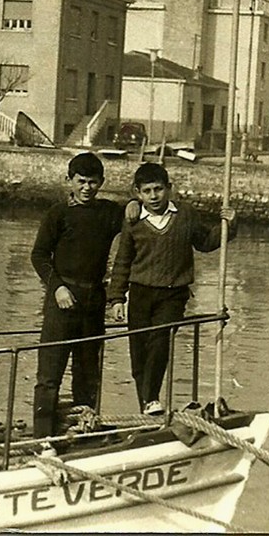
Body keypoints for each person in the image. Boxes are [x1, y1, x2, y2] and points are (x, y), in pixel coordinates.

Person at [108, 162, 237, 416]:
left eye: (158, 189)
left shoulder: (185, 215)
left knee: (159, 342)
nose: (154, 196)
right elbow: (123, 260)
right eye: (147, 191)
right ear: (137, 192)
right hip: (141, 292)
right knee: (139, 352)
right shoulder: (134, 219)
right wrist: (116, 299)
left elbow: (205, 242)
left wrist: (228, 227)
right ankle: (147, 406)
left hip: (173, 293)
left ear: (169, 189)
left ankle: (152, 399)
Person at [31, 152, 139, 439]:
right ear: (70, 181)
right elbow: (39, 255)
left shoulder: (107, 212)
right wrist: (57, 288)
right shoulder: (58, 214)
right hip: (62, 300)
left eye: (93, 182)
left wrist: (132, 204)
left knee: (88, 373)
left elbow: (134, 216)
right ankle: (42, 439)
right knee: (49, 375)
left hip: (93, 302)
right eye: (81, 182)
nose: (87, 188)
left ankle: (84, 432)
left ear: (101, 182)